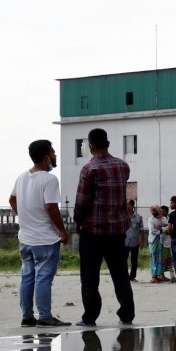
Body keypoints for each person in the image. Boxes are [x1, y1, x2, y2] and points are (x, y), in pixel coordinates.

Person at [73, 128, 135, 326]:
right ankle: (126, 314)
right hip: (117, 229)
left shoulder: (89, 169)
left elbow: (82, 200)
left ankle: (90, 316)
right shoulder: (123, 166)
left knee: (90, 276)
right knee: (120, 273)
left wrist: (78, 221)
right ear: (108, 144)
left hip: (93, 230)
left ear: (90, 146)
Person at [10, 139, 71, 327]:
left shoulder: (21, 177)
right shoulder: (49, 179)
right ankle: (45, 316)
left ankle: (27, 316)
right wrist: (62, 230)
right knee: (43, 277)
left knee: (27, 276)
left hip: (26, 238)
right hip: (45, 238)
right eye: (53, 153)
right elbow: (51, 206)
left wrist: (26, 216)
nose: (55, 156)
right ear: (46, 158)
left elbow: (12, 200)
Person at [124, 201, 143, 282]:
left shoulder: (138, 217)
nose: (126, 206)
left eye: (128, 204)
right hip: (124, 242)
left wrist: (142, 241)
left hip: (134, 242)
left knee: (134, 260)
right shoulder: (123, 216)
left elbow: (141, 230)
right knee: (123, 260)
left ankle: (132, 276)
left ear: (132, 206)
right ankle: (124, 276)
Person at [148, 205, 166, 283]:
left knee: (159, 258)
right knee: (153, 258)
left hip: (160, 241)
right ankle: (153, 276)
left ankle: (157, 275)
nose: (152, 212)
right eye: (151, 210)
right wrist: (161, 231)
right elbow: (152, 230)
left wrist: (162, 229)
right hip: (153, 240)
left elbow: (167, 226)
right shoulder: (150, 219)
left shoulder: (162, 218)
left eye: (154, 210)